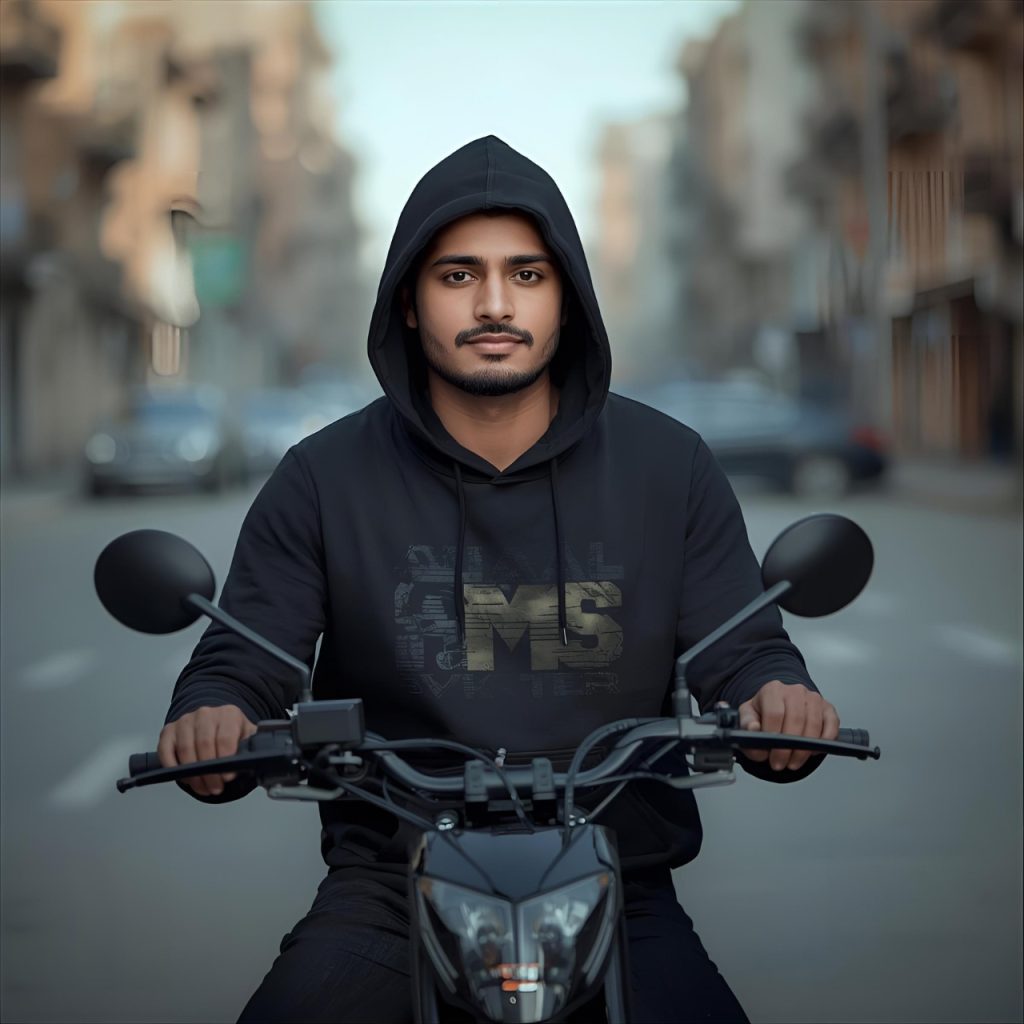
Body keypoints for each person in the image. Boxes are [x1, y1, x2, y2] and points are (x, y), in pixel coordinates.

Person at [159, 136, 840, 1023]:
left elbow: (742, 648)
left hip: (619, 879)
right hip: (391, 888)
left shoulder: (669, 466)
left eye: (526, 274)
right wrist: (215, 714)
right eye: (458, 276)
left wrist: (779, 697)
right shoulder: (323, 477)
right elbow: (245, 657)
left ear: (568, 297)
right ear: (409, 301)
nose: (493, 303)